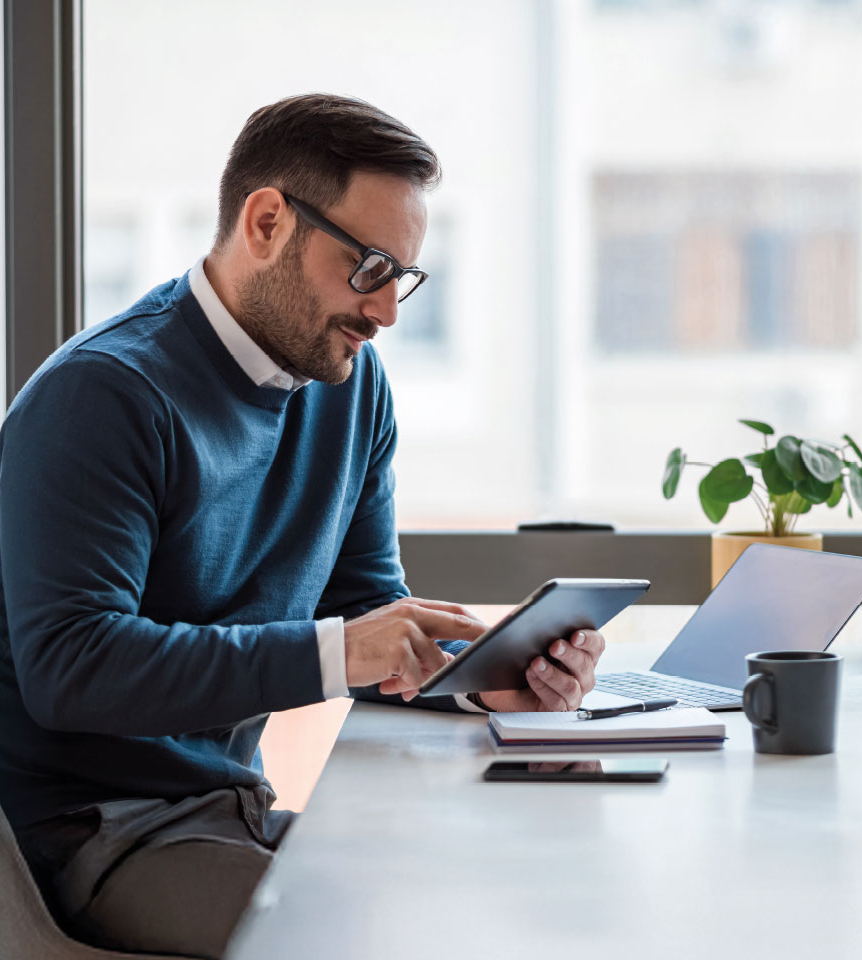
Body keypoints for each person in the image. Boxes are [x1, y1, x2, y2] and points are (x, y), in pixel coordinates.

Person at [0, 93, 604, 958]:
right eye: (368, 268)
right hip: (84, 841)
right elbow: (72, 667)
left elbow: (366, 611)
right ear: (267, 221)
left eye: (403, 276)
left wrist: (486, 676)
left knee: (500, 881)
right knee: (384, 932)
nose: (388, 311)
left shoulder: (351, 390)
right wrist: (344, 648)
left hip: (225, 811)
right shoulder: (103, 395)